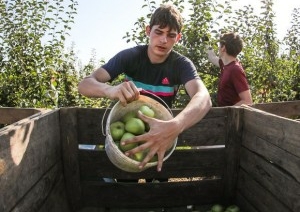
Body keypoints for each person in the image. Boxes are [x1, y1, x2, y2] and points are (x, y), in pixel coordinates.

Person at [78, 3, 212, 174]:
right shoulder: (131, 57)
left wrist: (176, 125)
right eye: (158, 32)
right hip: (128, 136)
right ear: (148, 31)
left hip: (163, 136)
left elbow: (203, 97)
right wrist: (110, 90)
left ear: (178, 38)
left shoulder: (181, 65)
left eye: (170, 35)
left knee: (157, 186)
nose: (164, 40)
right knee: (127, 183)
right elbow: (85, 84)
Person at [206, 32, 253, 106]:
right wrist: (206, 41)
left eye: (219, 46)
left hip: (231, 116)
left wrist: (228, 113)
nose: (218, 48)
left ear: (223, 48)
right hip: (225, 115)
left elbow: (247, 101)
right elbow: (212, 58)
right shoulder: (225, 65)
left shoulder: (235, 69)